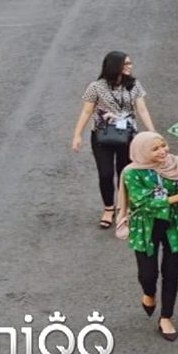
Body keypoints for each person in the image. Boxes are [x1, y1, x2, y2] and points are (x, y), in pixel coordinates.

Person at [114, 132, 178, 341]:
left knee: (171, 273)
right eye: (155, 149)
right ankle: (149, 293)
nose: (163, 151)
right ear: (142, 151)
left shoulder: (177, 165)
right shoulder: (132, 173)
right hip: (146, 226)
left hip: (174, 225)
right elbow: (142, 203)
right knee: (147, 274)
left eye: (163, 145)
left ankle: (166, 317)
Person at [72, 51, 155, 229]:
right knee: (106, 173)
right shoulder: (96, 87)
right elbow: (87, 111)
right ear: (114, 66)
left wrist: (152, 132)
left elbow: (142, 110)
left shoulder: (134, 85)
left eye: (130, 63)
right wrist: (77, 135)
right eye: (125, 64)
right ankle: (108, 208)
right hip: (102, 135)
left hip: (127, 136)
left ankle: (123, 208)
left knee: (125, 173)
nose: (130, 67)